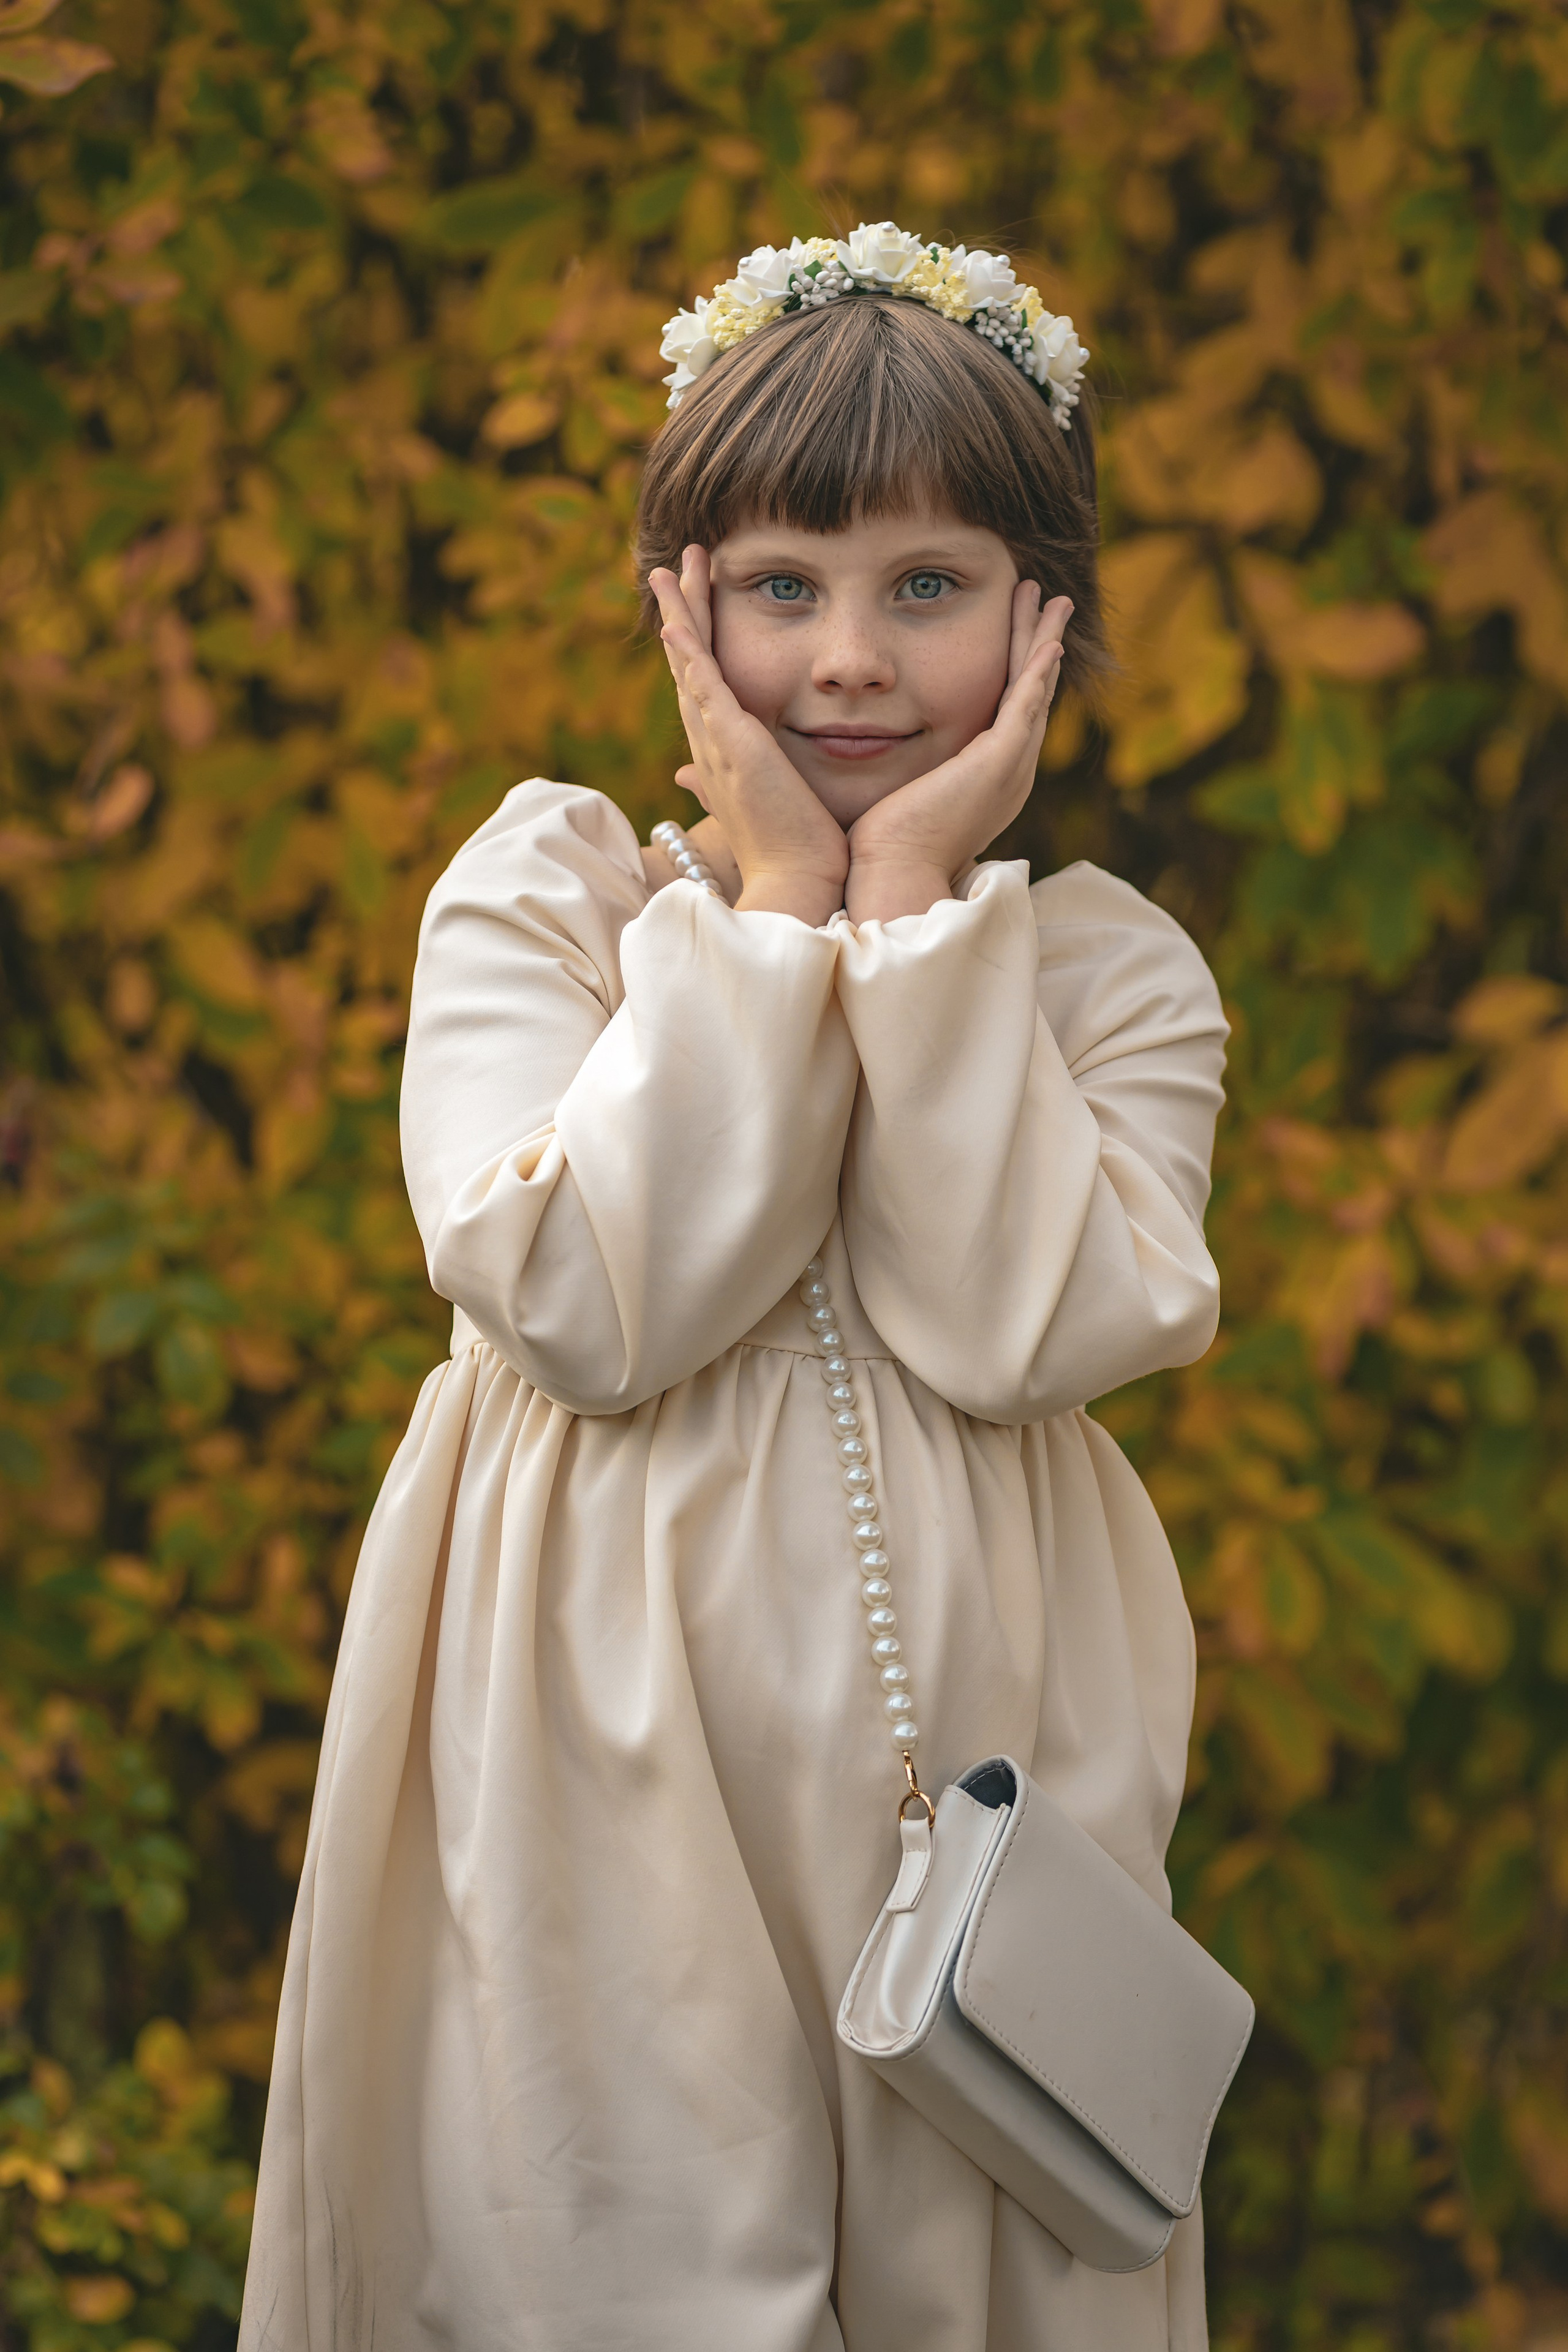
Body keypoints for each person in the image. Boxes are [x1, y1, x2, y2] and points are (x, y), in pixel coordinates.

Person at [239, 225, 1229, 2352]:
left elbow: (1020, 1326)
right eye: (783, 587)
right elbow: (592, 1307)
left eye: (929, 589)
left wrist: (913, 933)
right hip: (591, 1727)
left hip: (984, 1751)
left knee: (973, 2229)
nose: (851, 660)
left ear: (1044, 617)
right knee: (616, 2240)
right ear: (679, 603)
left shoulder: (1105, 980)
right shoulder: (551, 901)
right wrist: (778, 912)